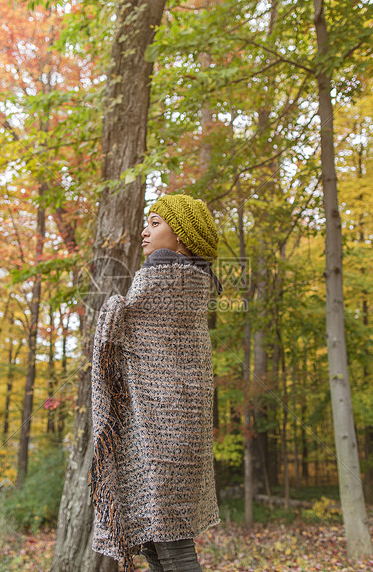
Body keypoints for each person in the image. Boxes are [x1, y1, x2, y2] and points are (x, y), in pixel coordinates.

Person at [89, 194, 222, 572]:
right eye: (147, 222)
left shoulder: (160, 275)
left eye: (155, 223)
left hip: (158, 433)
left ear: (180, 237)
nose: (144, 231)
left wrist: (113, 312)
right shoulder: (196, 285)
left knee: (168, 544)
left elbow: (126, 336)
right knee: (157, 541)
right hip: (180, 431)